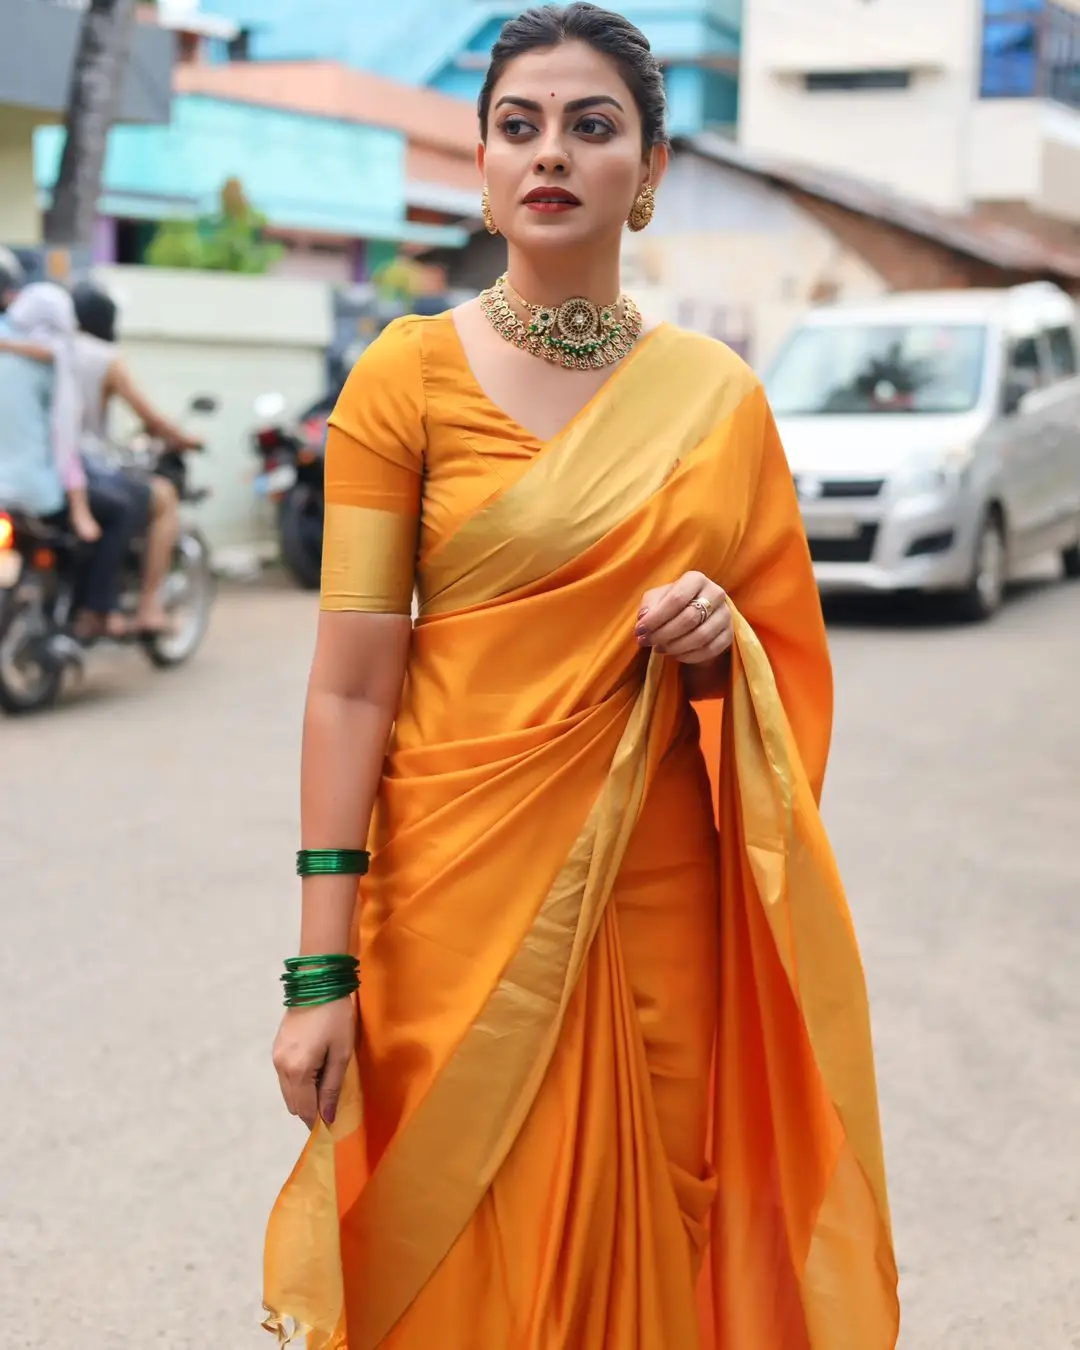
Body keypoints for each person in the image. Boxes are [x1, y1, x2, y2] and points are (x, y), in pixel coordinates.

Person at [264, 6, 900, 1349]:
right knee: (453, 1239)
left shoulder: (717, 399)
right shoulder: (403, 379)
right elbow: (350, 687)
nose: (549, 152)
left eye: (591, 126)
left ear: (649, 173)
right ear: (486, 166)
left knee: (656, 1218)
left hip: (659, 888)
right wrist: (320, 972)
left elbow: (786, 666)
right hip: (450, 894)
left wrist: (726, 643)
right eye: (518, 125)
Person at [0, 283, 140, 641]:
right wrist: (80, 509)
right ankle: (94, 610)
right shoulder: (59, 360)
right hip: (33, 490)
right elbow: (65, 444)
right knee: (118, 512)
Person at [69, 281, 202, 636]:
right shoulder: (105, 358)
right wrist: (185, 440)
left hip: (38, 468)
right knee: (160, 498)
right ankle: (148, 605)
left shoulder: (38, 348)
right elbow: (150, 417)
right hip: (83, 464)